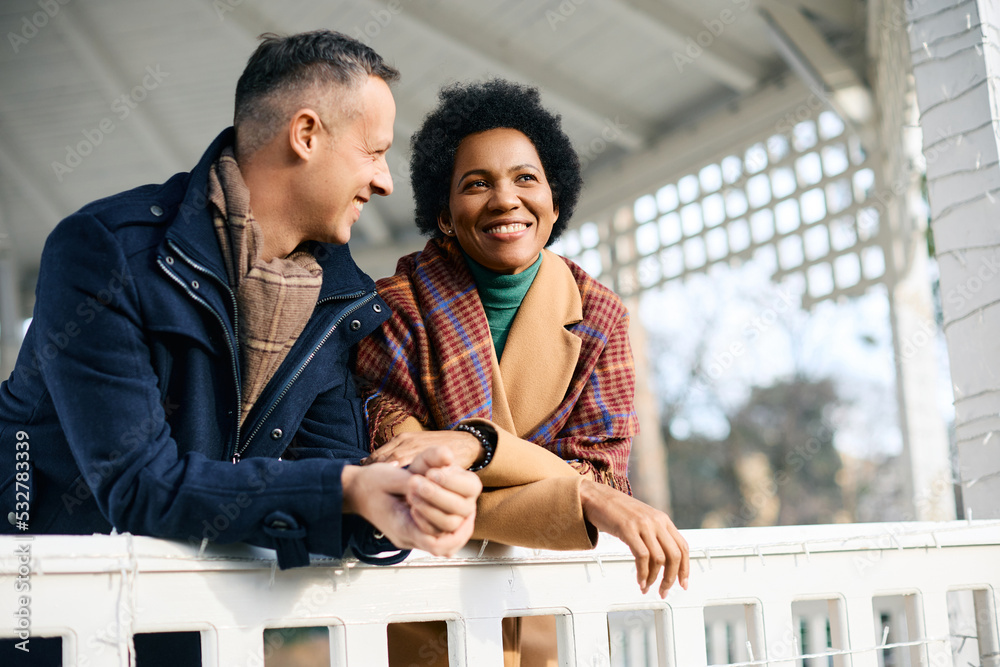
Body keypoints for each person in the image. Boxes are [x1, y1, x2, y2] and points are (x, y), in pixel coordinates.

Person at [0, 30, 483, 665]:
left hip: (191, 634)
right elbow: (141, 486)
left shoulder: (342, 302)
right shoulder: (101, 252)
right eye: (374, 151)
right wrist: (351, 488)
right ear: (306, 135)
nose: (385, 182)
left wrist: (404, 502)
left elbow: (327, 472)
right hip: (37, 625)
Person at [353, 79, 689, 667]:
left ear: (554, 203)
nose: (505, 198)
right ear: (445, 215)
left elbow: (602, 473)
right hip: (426, 615)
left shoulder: (601, 316)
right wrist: (578, 497)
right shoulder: (394, 308)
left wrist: (470, 449)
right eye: (476, 183)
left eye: (525, 178)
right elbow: (411, 480)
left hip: (555, 610)